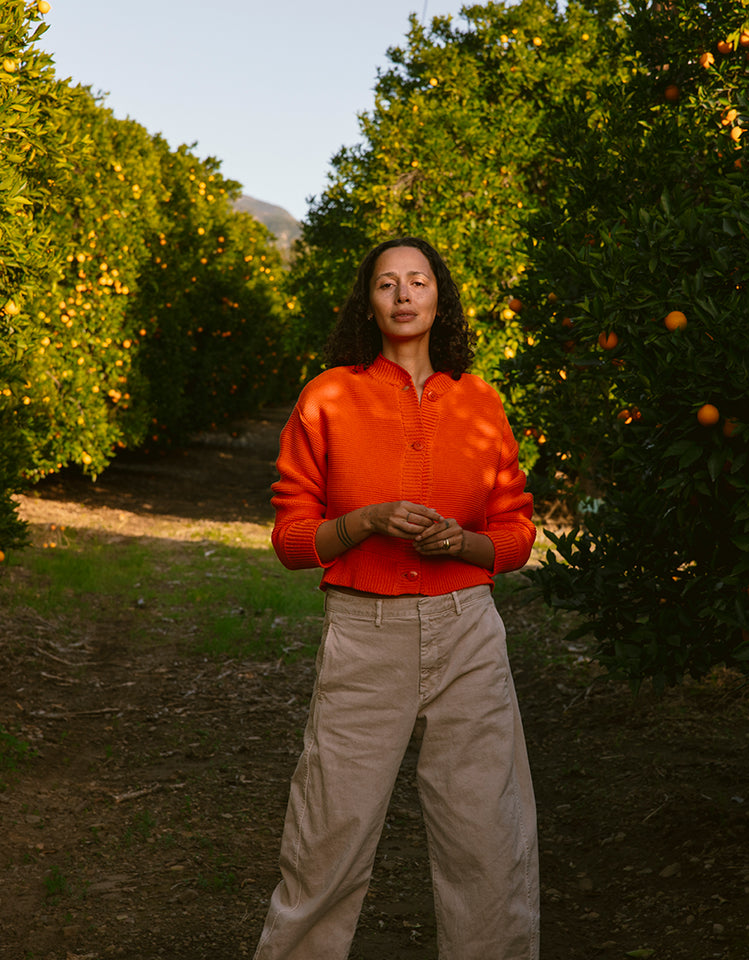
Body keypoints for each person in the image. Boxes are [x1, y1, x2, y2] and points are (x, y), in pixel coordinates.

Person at [253, 236, 540, 960]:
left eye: (418, 281)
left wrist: (461, 544)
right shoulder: (327, 397)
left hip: (469, 631)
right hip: (364, 632)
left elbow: (514, 533)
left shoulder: (480, 402)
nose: (404, 295)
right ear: (369, 303)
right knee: (329, 835)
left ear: (440, 297)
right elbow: (291, 539)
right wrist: (366, 522)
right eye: (387, 284)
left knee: (488, 841)